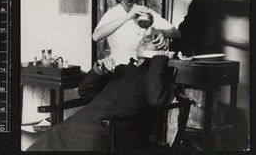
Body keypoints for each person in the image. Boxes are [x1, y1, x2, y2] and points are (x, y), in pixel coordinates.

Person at [27, 35, 176, 151]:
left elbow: (156, 99)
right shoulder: (121, 69)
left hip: (109, 129)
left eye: (149, 41)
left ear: (159, 52)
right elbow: (84, 91)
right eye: (142, 39)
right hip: (79, 122)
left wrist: (159, 60)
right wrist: (99, 70)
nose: (143, 41)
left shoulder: (158, 76)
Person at [93, 0, 180, 65]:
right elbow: (96, 36)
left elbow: (176, 33)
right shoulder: (113, 14)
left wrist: (162, 32)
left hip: (145, 66)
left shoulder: (147, 12)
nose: (135, 4)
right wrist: (127, 17)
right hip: (120, 67)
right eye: (130, 1)